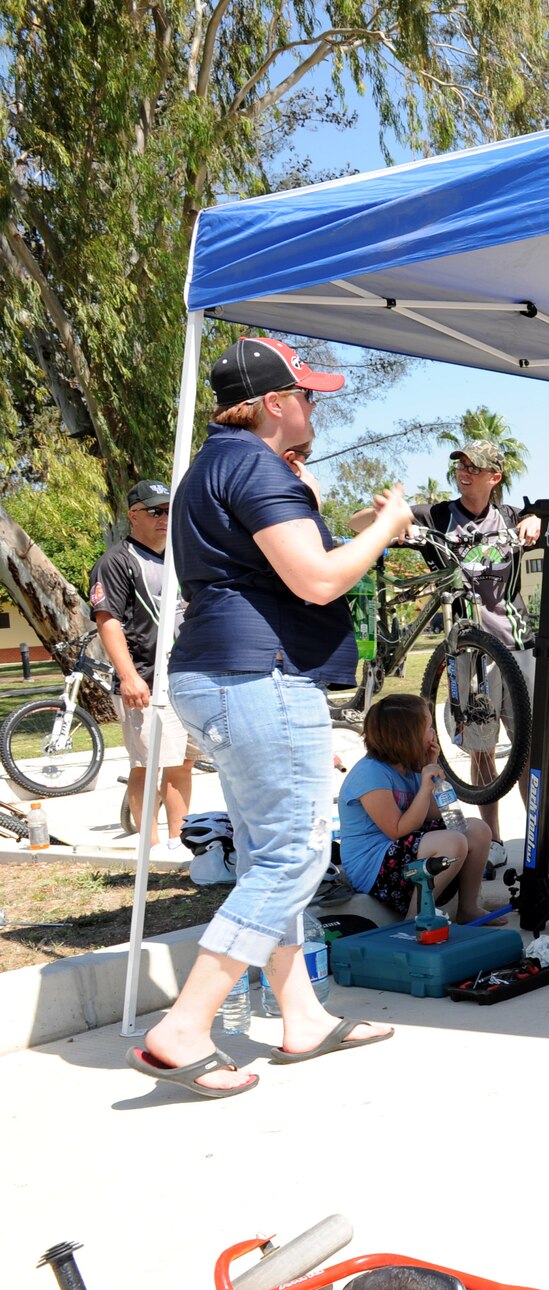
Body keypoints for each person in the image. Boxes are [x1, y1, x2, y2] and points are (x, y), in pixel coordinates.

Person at [129, 337, 412, 1098]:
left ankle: (301, 1015)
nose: (316, 406)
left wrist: (350, 516)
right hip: (263, 675)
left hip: (218, 674)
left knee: (265, 857)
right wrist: (386, 530)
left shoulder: (216, 466)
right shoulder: (254, 465)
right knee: (293, 857)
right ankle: (183, 1027)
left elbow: (291, 545)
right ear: (274, 404)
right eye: (308, 394)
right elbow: (319, 579)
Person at [351, 441, 541, 873]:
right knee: (481, 749)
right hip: (464, 649)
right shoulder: (437, 515)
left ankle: (536, 839)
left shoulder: (508, 517)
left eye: (476, 467)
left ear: (495, 477)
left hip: (515, 642)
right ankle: (492, 839)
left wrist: (534, 519)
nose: (465, 472)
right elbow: (356, 521)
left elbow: (543, 518)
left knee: (528, 752)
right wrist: (386, 519)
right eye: (461, 465)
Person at [89, 480, 200, 845]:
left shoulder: (179, 556)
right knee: (147, 766)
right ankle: (149, 848)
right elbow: (108, 620)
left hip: (185, 676)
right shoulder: (117, 561)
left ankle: (179, 842)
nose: (165, 518)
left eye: (170, 510)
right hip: (146, 680)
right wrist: (128, 676)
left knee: (182, 763)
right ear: (132, 516)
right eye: (156, 511)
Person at [337, 694, 492, 923]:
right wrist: (423, 787)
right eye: (428, 727)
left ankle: (468, 908)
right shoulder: (369, 774)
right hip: (373, 868)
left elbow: (437, 813)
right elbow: (397, 830)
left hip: (403, 851)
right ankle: (414, 919)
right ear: (406, 737)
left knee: (478, 829)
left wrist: (431, 769)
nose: (433, 734)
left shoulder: (409, 767)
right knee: (453, 841)